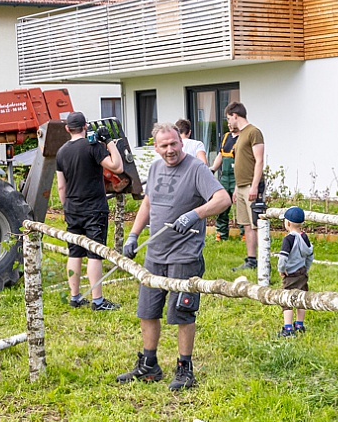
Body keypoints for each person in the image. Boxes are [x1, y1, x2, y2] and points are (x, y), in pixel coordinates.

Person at [115, 123, 231, 391]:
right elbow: (148, 202)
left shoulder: (196, 169)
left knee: (182, 313)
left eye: (173, 144)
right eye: (164, 145)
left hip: (184, 256)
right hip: (155, 255)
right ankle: (149, 365)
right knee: (147, 311)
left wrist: (195, 214)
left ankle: (184, 369)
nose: (170, 149)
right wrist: (133, 235)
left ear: (181, 142)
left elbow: (223, 199)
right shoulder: (155, 167)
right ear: (156, 148)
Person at [54, 111, 125, 311]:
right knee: (95, 253)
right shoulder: (92, 146)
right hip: (94, 209)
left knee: (74, 253)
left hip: (72, 209)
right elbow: (117, 166)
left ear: (67, 129)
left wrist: (67, 207)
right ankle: (98, 301)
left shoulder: (61, 152)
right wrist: (109, 141)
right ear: (85, 126)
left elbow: (61, 186)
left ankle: (75, 297)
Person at [224, 102, 265, 272]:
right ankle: (251, 260)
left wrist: (254, 186)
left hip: (251, 186)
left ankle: (264, 260)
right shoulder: (240, 135)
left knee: (256, 225)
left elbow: (259, 160)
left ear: (235, 115)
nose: (228, 122)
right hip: (240, 187)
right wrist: (236, 188)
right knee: (246, 225)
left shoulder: (253, 132)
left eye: (228, 118)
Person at [274, 206, 314, 336]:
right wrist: (306, 268)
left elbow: (283, 258)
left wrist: (281, 269)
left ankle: (288, 328)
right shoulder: (305, 237)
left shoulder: (288, 239)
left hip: (290, 275)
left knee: (287, 300)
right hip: (302, 273)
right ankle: (299, 325)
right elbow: (310, 255)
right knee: (301, 298)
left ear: (288, 223)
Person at [211, 124, 239, 240]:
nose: (229, 124)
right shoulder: (226, 137)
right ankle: (221, 235)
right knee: (221, 205)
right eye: (227, 121)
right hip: (224, 178)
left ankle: (245, 235)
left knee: (241, 207)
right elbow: (220, 155)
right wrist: (213, 169)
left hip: (237, 176)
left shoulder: (243, 138)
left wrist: (239, 184)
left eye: (231, 120)